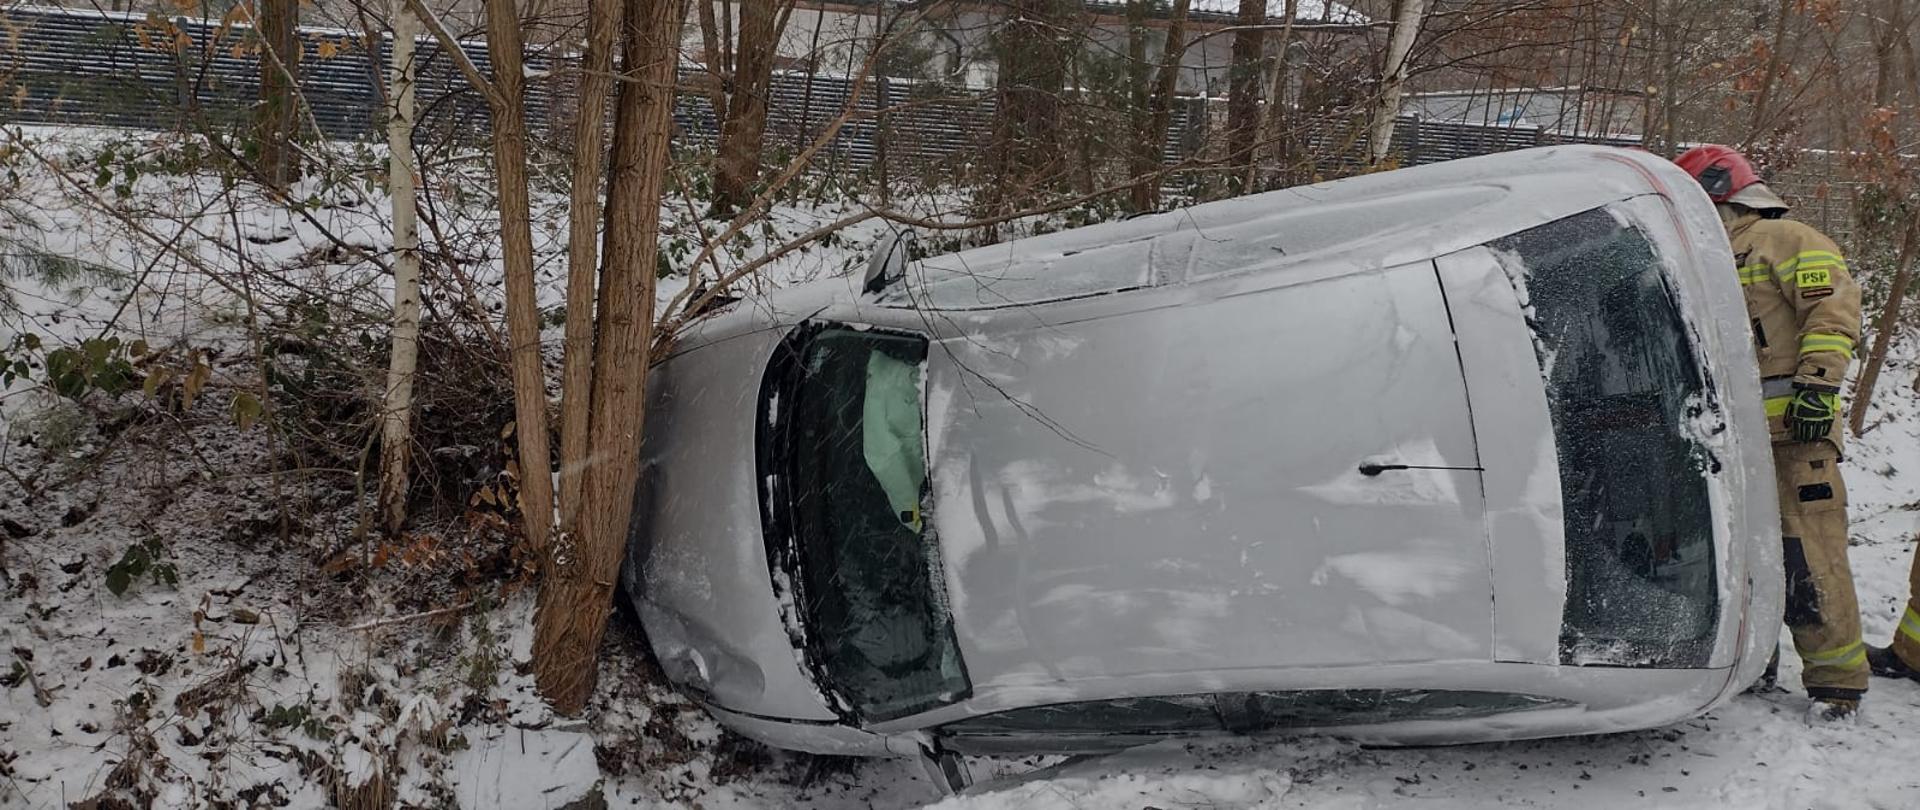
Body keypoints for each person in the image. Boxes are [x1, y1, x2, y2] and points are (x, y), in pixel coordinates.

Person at [1675, 145, 1866, 721]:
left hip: (1794, 432)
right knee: (1748, 558)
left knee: (1809, 553)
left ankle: (1837, 684)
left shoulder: (1787, 240)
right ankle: (1757, 661)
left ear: (1719, 194)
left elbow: (1832, 310)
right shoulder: (1707, 252)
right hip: (1733, 440)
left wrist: (1818, 387)